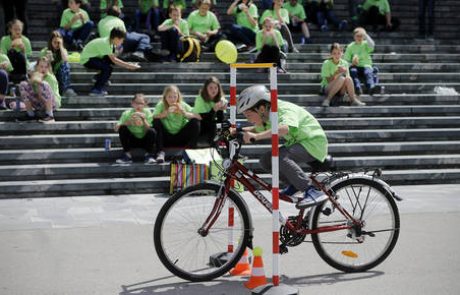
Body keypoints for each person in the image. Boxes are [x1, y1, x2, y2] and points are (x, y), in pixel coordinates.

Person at [237, 85, 329, 208]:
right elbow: (257, 129)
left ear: (262, 108)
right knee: (266, 160)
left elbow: (284, 128)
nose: (248, 119)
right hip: (299, 143)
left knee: (280, 156)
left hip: (313, 143)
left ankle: (312, 191)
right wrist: (237, 130)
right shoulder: (268, 114)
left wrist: (256, 136)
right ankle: (295, 184)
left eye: (248, 115)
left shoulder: (283, 109)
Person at [80, 27, 141, 96]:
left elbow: (113, 57)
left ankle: (98, 77)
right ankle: (96, 89)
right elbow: (114, 60)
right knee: (107, 68)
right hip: (87, 59)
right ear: (116, 38)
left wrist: (128, 63)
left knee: (109, 64)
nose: (122, 42)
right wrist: (129, 66)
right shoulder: (105, 43)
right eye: (122, 40)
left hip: (94, 57)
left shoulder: (110, 42)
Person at [98, 6, 165, 62]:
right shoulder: (119, 21)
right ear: (118, 14)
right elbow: (123, 36)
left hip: (108, 47)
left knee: (136, 42)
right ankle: (140, 52)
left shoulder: (100, 22)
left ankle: (142, 51)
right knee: (145, 37)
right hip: (119, 45)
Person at [152, 85, 200, 163]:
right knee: (156, 121)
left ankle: (190, 152)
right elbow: (153, 117)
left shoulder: (182, 105)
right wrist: (166, 113)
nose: (172, 99)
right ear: (165, 97)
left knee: (195, 122)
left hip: (180, 137)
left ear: (178, 96)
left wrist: (184, 113)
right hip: (166, 138)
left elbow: (198, 116)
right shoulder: (161, 105)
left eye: (175, 97)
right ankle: (160, 152)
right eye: (169, 97)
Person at [115, 93, 157, 164]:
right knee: (122, 128)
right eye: (136, 103)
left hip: (145, 140)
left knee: (152, 131)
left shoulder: (147, 112)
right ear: (132, 103)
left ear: (144, 105)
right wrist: (128, 122)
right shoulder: (127, 113)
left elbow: (150, 128)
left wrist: (144, 120)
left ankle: (148, 155)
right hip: (132, 140)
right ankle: (127, 155)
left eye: (141, 103)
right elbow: (116, 128)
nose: (138, 105)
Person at [320, 43, 365, 107]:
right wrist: (337, 73)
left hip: (341, 90)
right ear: (331, 54)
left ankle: (353, 100)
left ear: (342, 53)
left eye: (339, 53)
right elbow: (328, 81)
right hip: (328, 88)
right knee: (341, 78)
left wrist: (345, 72)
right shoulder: (326, 63)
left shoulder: (344, 63)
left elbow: (347, 80)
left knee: (348, 78)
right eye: (334, 53)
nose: (337, 55)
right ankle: (328, 99)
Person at [344, 27, 381, 96]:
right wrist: (352, 63)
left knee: (368, 72)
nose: (359, 38)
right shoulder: (350, 46)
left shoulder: (366, 44)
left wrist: (366, 35)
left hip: (366, 65)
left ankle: (371, 87)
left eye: (361, 36)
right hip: (355, 66)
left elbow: (372, 44)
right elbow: (346, 61)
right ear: (354, 37)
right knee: (353, 71)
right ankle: (357, 87)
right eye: (357, 36)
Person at [40, 30, 77, 98]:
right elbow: (41, 68)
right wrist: (48, 61)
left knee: (65, 65)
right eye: (55, 42)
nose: (57, 44)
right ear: (50, 42)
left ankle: (66, 88)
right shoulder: (44, 51)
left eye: (58, 42)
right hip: (49, 75)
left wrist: (61, 46)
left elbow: (65, 59)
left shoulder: (63, 50)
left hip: (59, 76)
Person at [192, 76, 227, 145]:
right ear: (206, 89)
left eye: (215, 88)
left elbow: (221, 119)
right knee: (215, 125)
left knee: (227, 127)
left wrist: (221, 109)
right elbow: (205, 119)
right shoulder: (200, 99)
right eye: (210, 88)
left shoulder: (220, 99)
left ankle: (233, 151)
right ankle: (214, 148)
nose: (213, 90)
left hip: (214, 125)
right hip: (201, 126)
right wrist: (214, 110)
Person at [0, 19, 31, 84]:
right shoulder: (4, 40)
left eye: (19, 29)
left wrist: (23, 50)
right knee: (11, 53)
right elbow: (3, 55)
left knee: (20, 55)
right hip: (9, 64)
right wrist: (11, 47)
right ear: (10, 29)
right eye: (15, 29)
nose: (17, 32)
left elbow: (28, 58)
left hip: (22, 67)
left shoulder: (26, 41)